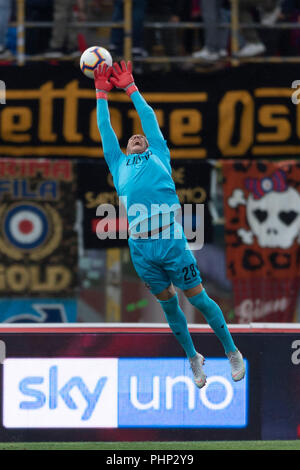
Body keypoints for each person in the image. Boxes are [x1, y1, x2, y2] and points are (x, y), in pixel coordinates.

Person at [93, 60, 246, 388]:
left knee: (198, 299)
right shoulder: (117, 164)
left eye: (141, 137)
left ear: (149, 144)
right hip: (141, 248)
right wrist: (101, 94)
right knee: (168, 304)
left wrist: (131, 88)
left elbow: (147, 119)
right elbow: (106, 132)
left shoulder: (159, 153)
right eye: (132, 137)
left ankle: (232, 351)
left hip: (170, 240)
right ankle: (193, 357)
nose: (136, 136)